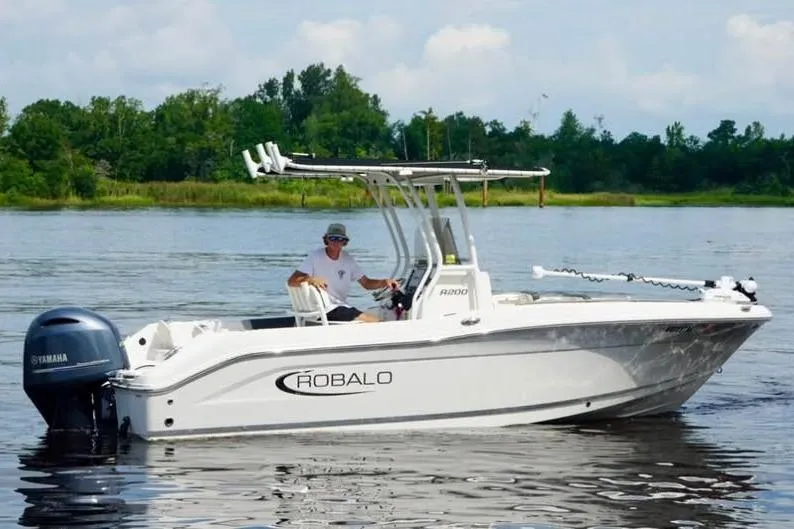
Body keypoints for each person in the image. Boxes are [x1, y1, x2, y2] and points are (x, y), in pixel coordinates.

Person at [287, 223, 399, 322]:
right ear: (326, 239)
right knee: (377, 322)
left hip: (340, 307)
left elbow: (366, 283)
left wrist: (384, 282)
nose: (336, 242)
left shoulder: (348, 259)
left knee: (372, 318)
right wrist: (310, 279)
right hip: (326, 309)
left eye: (340, 239)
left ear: (345, 242)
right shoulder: (315, 257)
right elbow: (291, 281)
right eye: (333, 238)